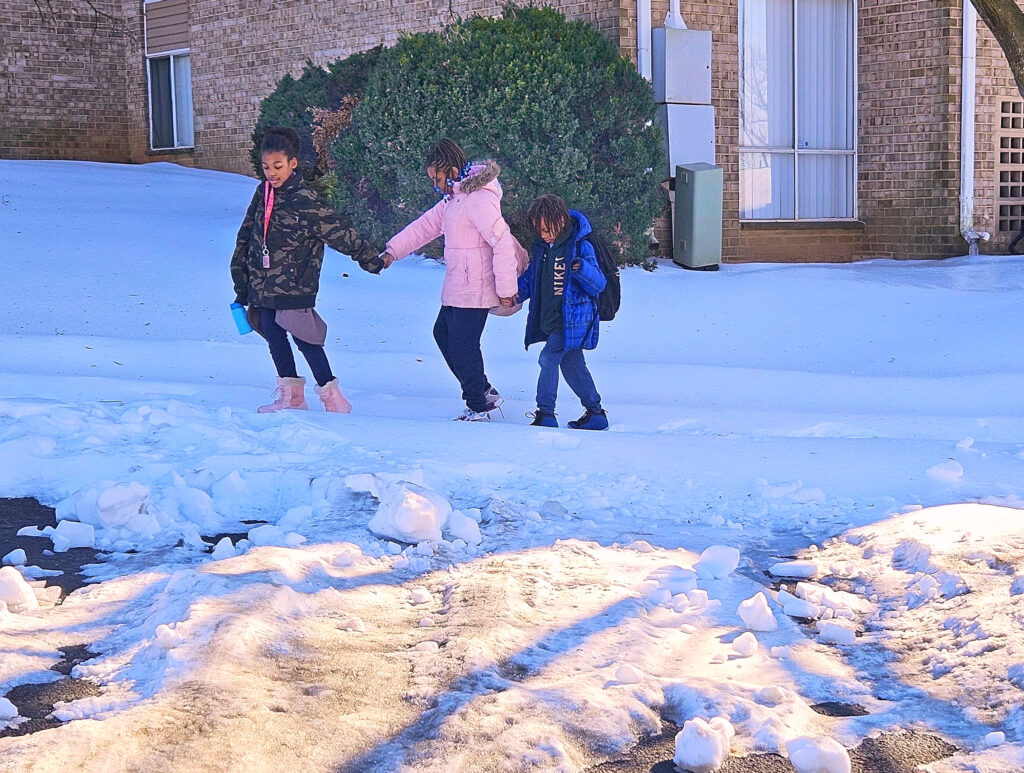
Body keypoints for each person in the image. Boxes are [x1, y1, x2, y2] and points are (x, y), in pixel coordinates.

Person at [230, 126, 384, 414]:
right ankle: (292, 398)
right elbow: (247, 233)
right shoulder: (263, 192)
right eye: (266, 167)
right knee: (274, 338)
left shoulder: (304, 199)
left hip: (294, 283)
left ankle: (333, 398)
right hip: (263, 283)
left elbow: (338, 230)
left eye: (278, 166)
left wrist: (369, 257)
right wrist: (241, 276)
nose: (271, 173)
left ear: (293, 164)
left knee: (305, 338)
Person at [380, 138, 521, 421]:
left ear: (454, 170)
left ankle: (478, 405)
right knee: (443, 334)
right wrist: (391, 252)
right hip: (459, 286)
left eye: (437, 177)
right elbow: (423, 227)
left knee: (463, 344)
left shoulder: (480, 199)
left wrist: (507, 290)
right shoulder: (454, 199)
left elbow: (503, 243)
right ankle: (482, 390)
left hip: (478, 287)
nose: (435, 183)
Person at [516, 194, 609, 430]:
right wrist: (514, 293)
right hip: (552, 318)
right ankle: (596, 413)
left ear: (560, 220)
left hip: (573, 321)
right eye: (539, 230)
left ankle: (545, 414)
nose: (544, 234)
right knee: (572, 365)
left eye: (547, 229)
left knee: (548, 358)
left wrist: (581, 268)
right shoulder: (542, 248)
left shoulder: (580, 245)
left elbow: (599, 284)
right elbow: (532, 278)